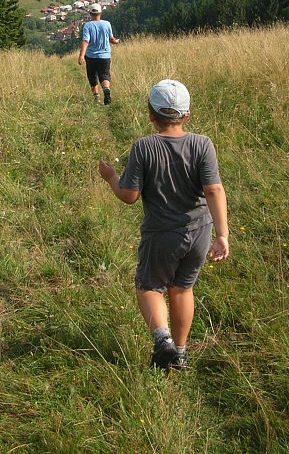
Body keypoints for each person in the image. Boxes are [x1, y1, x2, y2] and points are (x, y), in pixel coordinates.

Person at [98, 79, 229, 370]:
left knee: (150, 287)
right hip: (200, 233)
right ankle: (180, 354)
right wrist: (223, 235)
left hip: (161, 236)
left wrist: (110, 177)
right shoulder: (202, 145)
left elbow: (129, 196)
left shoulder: (144, 147)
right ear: (187, 114)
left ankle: (163, 341)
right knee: (183, 289)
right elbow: (214, 190)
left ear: (150, 113)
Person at [78, 3, 120, 104]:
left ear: (90, 14)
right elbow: (111, 39)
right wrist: (117, 41)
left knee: (92, 76)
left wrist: (81, 55)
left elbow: (85, 41)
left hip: (91, 56)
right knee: (104, 75)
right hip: (105, 56)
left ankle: (96, 97)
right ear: (100, 13)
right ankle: (106, 89)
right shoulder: (107, 24)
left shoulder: (87, 26)